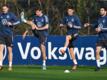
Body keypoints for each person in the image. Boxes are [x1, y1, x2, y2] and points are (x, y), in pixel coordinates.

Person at [60, 7, 81, 71]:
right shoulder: (65, 17)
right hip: (69, 34)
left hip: (75, 34)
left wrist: (73, 26)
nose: (69, 11)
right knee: (71, 49)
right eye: (68, 10)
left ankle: (63, 49)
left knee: (67, 37)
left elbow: (80, 26)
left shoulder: (75, 17)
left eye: (70, 10)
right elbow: (62, 24)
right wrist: (61, 25)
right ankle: (75, 64)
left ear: (73, 11)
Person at [0, 5, 20, 71]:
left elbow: (18, 21)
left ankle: (10, 65)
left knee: (10, 51)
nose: (4, 10)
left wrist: (11, 23)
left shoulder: (11, 15)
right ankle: (0, 65)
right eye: (3, 9)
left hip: (9, 35)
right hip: (1, 34)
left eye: (5, 9)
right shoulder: (0, 15)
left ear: (7, 9)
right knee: (0, 50)